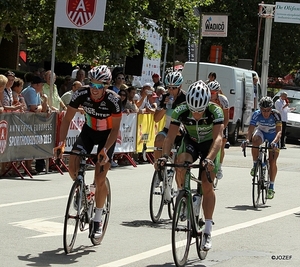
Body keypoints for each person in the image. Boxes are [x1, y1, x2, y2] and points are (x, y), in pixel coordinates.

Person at [53, 65, 122, 238]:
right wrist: (61, 144)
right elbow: (67, 119)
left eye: (99, 86)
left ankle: (97, 219)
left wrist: (105, 150)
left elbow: (115, 130)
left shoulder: (113, 99)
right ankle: (81, 190)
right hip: (89, 132)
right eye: (92, 84)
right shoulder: (81, 94)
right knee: (72, 165)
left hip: (107, 137)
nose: (95, 89)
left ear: (106, 86)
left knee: (100, 178)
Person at [159, 80, 224, 251]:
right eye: (193, 111)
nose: (196, 114)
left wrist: (209, 159)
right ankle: (184, 195)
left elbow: (218, 139)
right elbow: (170, 137)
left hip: (209, 144)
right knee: (180, 163)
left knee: (207, 184)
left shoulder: (215, 111)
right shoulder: (180, 110)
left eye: (200, 111)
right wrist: (164, 156)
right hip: (191, 142)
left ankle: (208, 230)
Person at [241, 96, 282, 200]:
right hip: (262, 132)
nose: (265, 113)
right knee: (255, 141)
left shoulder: (276, 114)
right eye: (263, 110)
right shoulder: (256, 114)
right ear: (260, 109)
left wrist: (274, 142)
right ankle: (255, 165)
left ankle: (271, 187)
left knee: (273, 161)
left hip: (274, 136)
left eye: (268, 110)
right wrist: (246, 140)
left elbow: (279, 132)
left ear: (271, 109)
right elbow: (250, 129)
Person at [153, 71, 186, 165]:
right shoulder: (164, 97)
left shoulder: (186, 98)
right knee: (159, 139)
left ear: (180, 86)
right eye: (169, 87)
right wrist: (164, 107)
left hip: (181, 131)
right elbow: (156, 119)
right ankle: (157, 165)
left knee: (179, 163)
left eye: (174, 88)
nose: (171, 90)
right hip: (168, 129)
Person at [207, 81, 229, 180]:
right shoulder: (206, 98)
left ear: (217, 92)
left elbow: (226, 118)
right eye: (209, 92)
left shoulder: (223, 100)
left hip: (221, 122)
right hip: (210, 122)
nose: (211, 94)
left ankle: (219, 167)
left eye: (213, 92)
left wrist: (222, 129)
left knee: (222, 144)